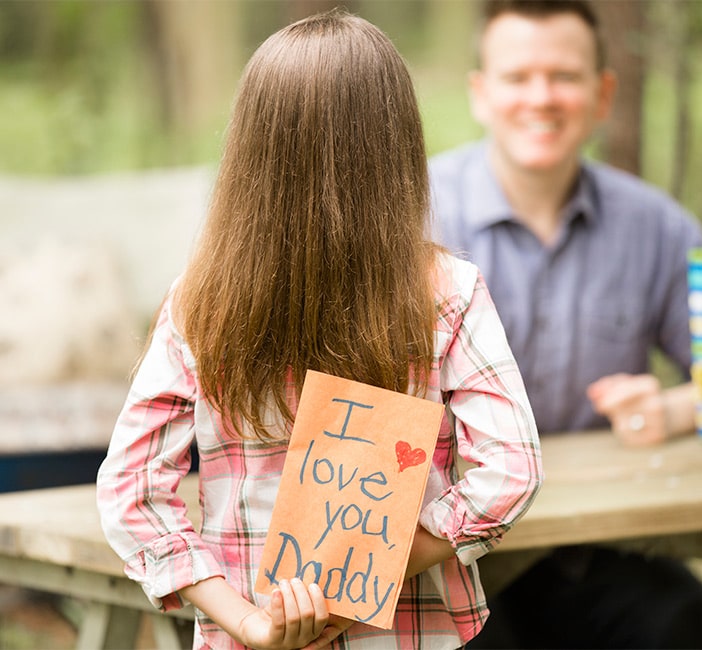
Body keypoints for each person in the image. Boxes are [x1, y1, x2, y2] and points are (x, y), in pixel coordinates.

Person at [96, 10, 543, 650]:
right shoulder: (447, 292)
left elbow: (130, 494)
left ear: (249, 150)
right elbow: (513, 469)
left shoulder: (199, 303)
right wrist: (376, 572)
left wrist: (249, 621)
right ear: (396, 146)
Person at [429, 1, 702, 648]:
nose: (541, 98)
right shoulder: (413, 221)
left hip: (609, 551)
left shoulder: (656, 228)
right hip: (453, 561)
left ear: (604, 94)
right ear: (480, 93)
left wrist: (673, 408)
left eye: (565, 77)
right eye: (518, 77)